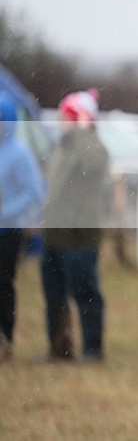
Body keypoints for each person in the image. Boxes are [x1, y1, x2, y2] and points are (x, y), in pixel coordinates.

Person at [41, 89, 110, 362]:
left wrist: (83, 129)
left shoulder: (92, 146)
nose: (61, 121)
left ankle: (93, 349)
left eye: (66, 116)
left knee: (85, 294)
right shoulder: (62, 147)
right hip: (55, 236)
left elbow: (94, 163)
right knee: (53, 295)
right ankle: (59, 348)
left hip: (80, 237)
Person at [0, 93, 46, 361]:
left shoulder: (20, 153)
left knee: (3, 284)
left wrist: (6, 213)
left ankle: (6, 338)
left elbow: (34, 192)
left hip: (8, 232)